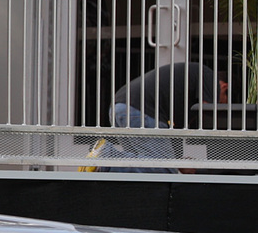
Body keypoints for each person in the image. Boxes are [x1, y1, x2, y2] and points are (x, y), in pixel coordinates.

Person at [88, 63, 225, 173]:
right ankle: (106, 158)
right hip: (140, 110)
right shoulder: (209, 77)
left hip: (119, 108)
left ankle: (105, 158)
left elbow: (174, 134)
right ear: (225, 87)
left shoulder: (186, 92)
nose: (222, 105)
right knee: (165, 168)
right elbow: (208, 116)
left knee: (144, 166)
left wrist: (178, 162)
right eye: (225, 100)